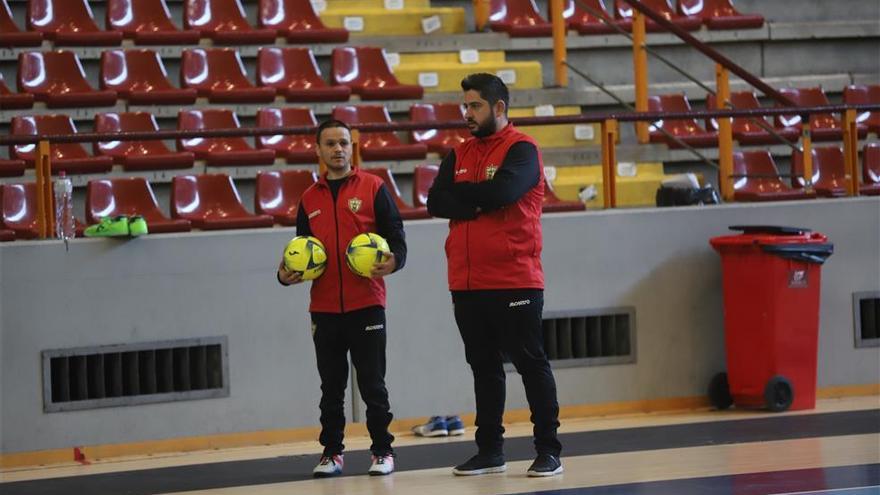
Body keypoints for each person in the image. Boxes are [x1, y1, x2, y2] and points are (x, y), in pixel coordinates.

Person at [426, 73, 563, 477]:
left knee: (530, 363)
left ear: (499, 107)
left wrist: (462, 198)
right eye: (464, 105)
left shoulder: (522, 149)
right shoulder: (459, 152)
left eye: (475, 106)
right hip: (467, 281)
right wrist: (475, 204)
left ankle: (549, 450)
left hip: (515, 278)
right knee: (483, 368)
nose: (467, 113)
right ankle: (490, 451)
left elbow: (504, 193)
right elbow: (435, 200)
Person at [277, 119, 406, 477]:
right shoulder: (309, 198)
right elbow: (300, 251)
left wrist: (394, 261)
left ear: (353, 148)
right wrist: (284, 275)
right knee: (331, 388)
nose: (338, 149)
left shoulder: (374, 187)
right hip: (325, 309)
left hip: (367, 303)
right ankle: (331, 454)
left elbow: (397, 238)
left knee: (373, 385)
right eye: (330, 143)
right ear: (317, 150)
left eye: (344, 143)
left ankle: (383, 451)